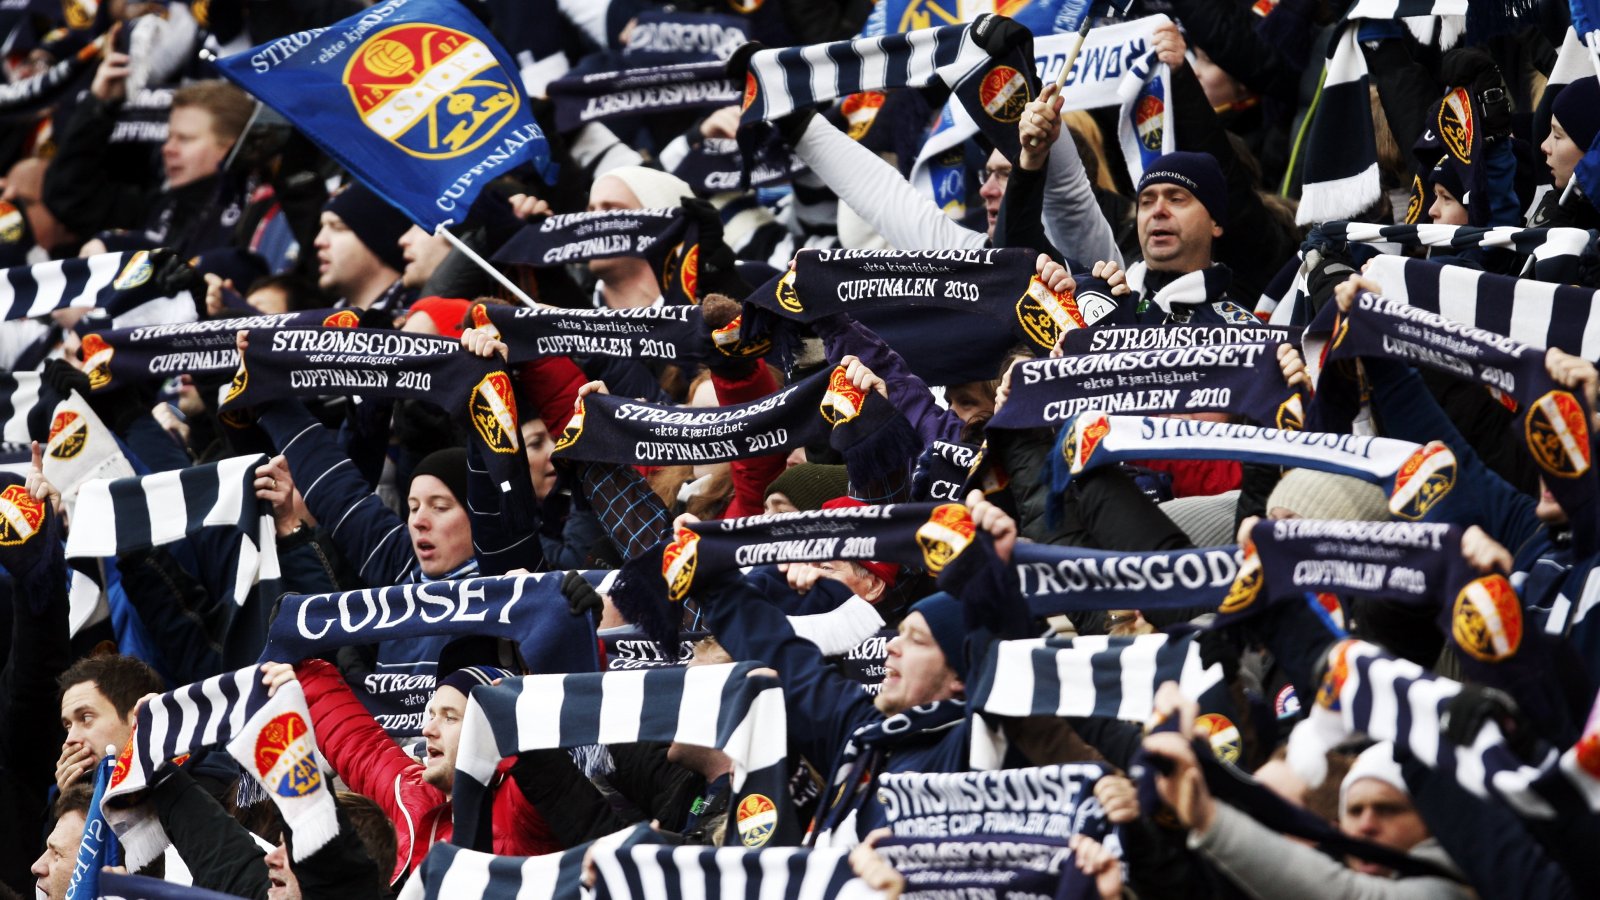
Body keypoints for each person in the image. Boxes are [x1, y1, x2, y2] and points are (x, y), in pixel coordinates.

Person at [55, 653, 164, 793]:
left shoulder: (187, 778)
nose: (69, 740)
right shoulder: (68, 799)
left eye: (86, 718)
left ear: (139, 715)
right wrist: (72, 799)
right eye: (68, 726)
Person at [313, 184, 412, 312]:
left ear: (378, 238)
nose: (318, 241)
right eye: (322, 227)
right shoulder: (325, 321)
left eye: (337, 226)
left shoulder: (417, 318)